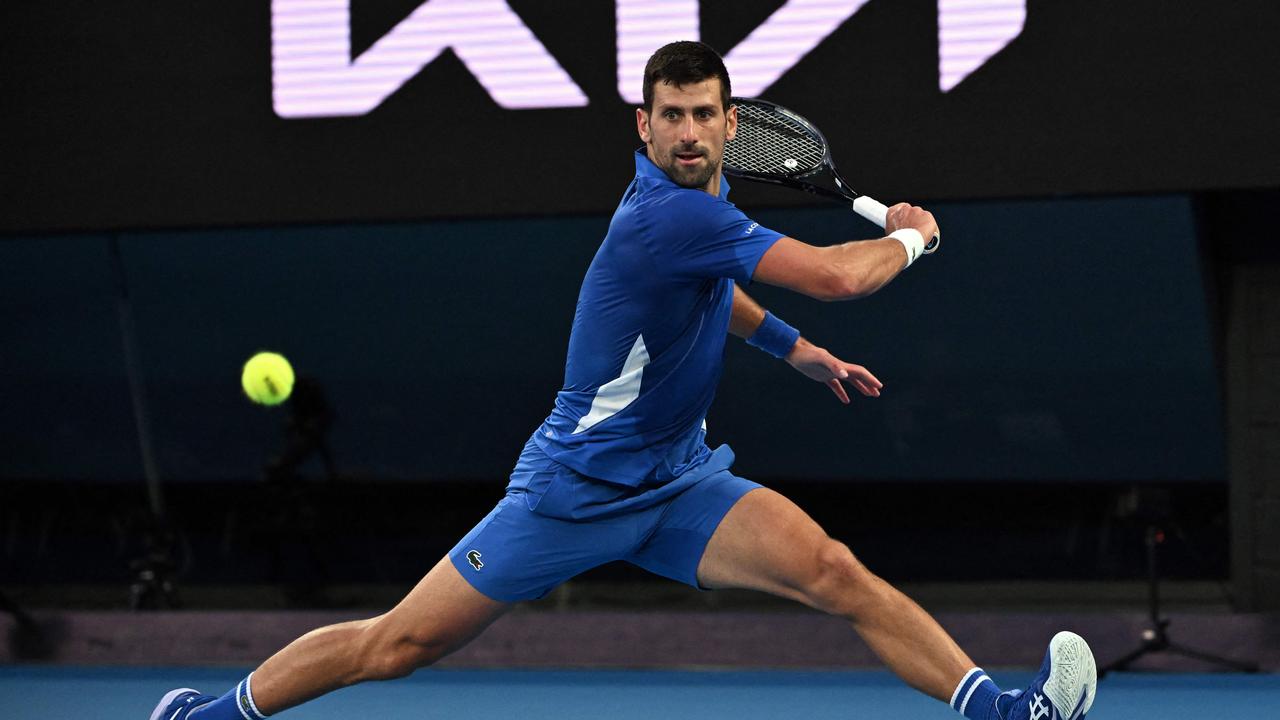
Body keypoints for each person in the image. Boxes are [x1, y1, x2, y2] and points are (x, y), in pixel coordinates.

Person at [152, 41, 1096, 720]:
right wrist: (910, 237)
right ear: (644, 126)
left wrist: (792, 351)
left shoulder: (706, 203)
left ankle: (1007, 713)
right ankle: (210, 716)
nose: (688, 134)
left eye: (703, 116)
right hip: (574, 485)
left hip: (678, 480)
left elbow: (713, 296)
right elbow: (843, 275)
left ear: (731, 125)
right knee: (395, 645)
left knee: (834, 571)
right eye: (670, 117)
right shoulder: (665, 217)